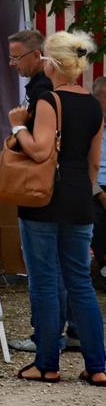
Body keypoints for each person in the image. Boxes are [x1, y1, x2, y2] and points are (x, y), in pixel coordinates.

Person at [7, 30, 105, 384]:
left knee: (45, 282)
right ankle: (98, 367)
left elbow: (40, 150)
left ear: (51, 62)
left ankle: (46, 363)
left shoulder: (50, 100)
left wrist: (18, 126)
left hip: (45, 200)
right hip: (80, 198)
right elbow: (94, 165)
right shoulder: (93, 104)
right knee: (80, 282)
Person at [7, 29, 77, 352]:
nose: (11, 63)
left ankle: (47, 340)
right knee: (66, 272)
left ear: (41, 57)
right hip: (67, 191)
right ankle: (65, 334)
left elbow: (39, 149)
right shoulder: (80, 98)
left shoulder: (44, 93)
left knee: (45, 273)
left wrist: (18, 127)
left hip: (43, 190)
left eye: (17, 57)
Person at [92, 76, 106, 292]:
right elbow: (80, 164)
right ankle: (103, 267)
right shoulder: (89, 125)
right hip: (94, 187)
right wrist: (101, 194)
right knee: (97, 216)